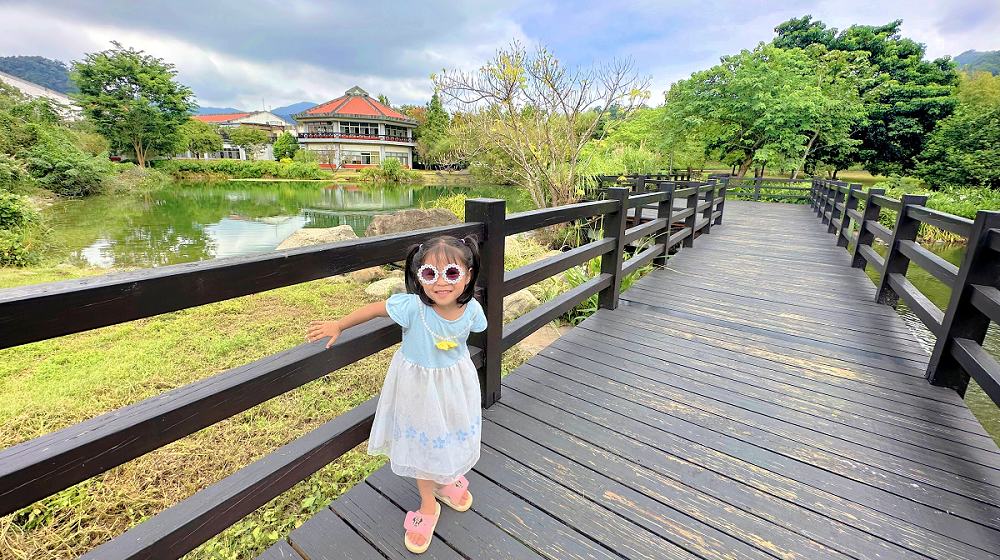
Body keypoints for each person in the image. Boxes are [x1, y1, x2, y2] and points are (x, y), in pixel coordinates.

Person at [306, 234, 487, 554]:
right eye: (430, 273)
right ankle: (428, 504)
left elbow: (479, 326)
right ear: (419, 276)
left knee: (450, 432)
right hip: (418, 391)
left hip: (456, 387)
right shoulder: (412, 308)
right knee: (423, 444)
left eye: (452, 273)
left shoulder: (471, 309)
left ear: (468, 275)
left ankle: (445, 480)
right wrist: (340, 324)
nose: (441, 283)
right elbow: (375, 310)